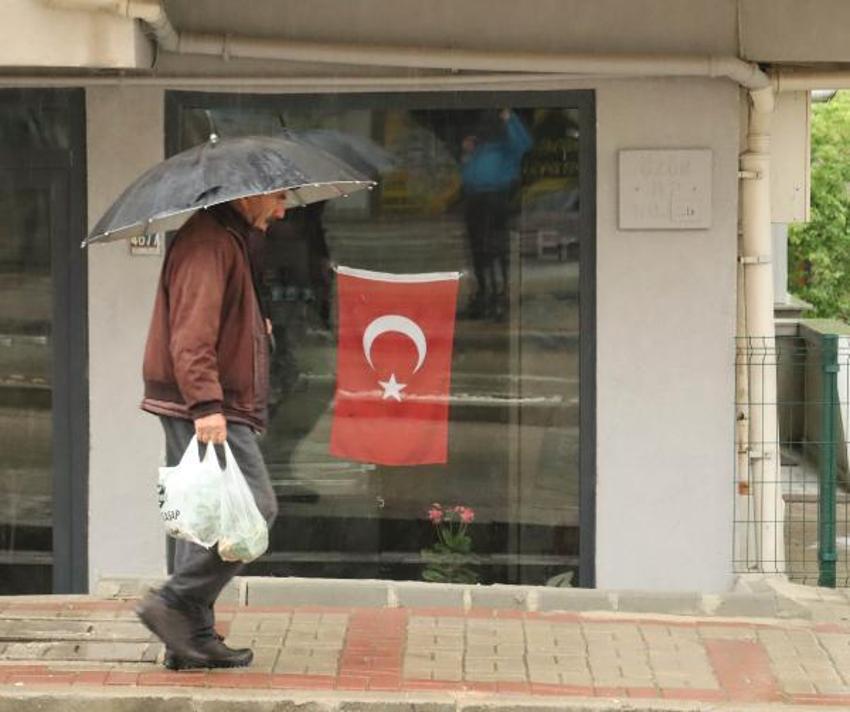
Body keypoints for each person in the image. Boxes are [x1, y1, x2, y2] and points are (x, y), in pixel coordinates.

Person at [135, 191, 286, 670]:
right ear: (251, 195)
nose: (282, 211)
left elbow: (215, 323)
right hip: (206, 405)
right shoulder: (208, 243)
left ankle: (189, 641)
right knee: (254, 512)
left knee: (201, 521)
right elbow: (191, 334)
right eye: (279, 198)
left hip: (210, 401)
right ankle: (174, 602)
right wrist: (205, 406)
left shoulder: (229, 239)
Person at [460, 109, 532, 320]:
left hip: (496, 198)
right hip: (475, 200)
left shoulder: (508, 147)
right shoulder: (478, 149)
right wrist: (466, 153)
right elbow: (467, 175)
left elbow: (525, 144)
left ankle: (500, 296)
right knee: (478, 250)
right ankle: (484, 294)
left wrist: (510, 120)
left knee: (496, 248)